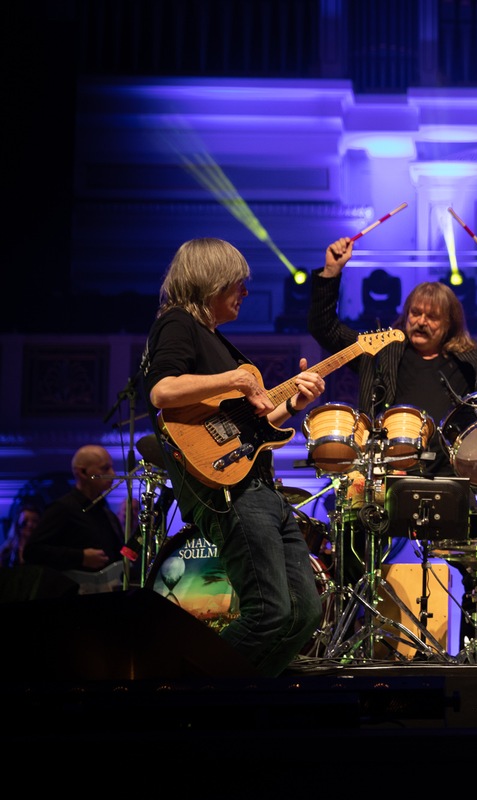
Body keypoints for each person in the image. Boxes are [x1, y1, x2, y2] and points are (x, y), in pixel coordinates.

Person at [308, 236, 477, 662]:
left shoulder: (471, 360)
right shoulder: (381, 353)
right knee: (353, 561)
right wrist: (331, 273)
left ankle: (476, 655)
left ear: (450, 323)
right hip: (386, 479)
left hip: (449, 481)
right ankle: (351, 648)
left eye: (432, 316)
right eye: (415, 312)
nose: (421, 321)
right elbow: (325, 329)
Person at [143, 237, 326, 677]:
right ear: (212, 282)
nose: (245, 292)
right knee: (268, 613)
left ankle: (242, 706)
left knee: (304, 615)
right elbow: (161, 391)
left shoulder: (217, 342)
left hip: (260, 485)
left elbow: (257, 425)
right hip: (233, 489)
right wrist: (236, 378)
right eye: (238, 284)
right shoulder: (178, 324)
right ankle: (185, 692)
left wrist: (296, 403)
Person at [22, 445, 128, 592]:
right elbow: (32, 551)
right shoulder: (63, 508)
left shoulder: (106, 513)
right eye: (105, 468)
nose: (113, 474)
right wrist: (80, 557)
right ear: (82, 472)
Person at [0, 504, 40, 569]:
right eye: (25, 520)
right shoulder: (6, 550)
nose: (30, 525)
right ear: (17, 523)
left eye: (34, 521)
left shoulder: (42, 550)